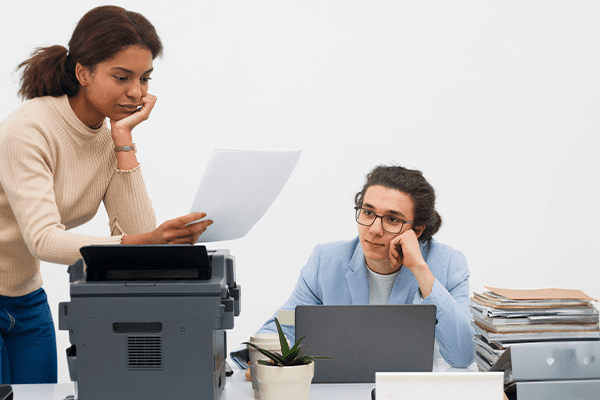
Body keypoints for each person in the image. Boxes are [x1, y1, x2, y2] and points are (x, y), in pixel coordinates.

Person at [0, 6, 212, 384]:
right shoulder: (28, 130)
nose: (136, 92)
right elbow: (44, 240)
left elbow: (139, 233)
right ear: (83, 72)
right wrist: (144, 240)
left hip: (26, 299)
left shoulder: (106, 136)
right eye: (121, 77)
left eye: (145, 78)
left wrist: (123, 141)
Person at [234, 164, 475, 378]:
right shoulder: (326, 262)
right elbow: (285, 322)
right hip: (343, 390)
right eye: (368, 212)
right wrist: (268, 357)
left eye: (392, 219)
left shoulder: (447, 264)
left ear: (418, 230)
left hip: (413, 392)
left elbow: (462, 354)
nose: (374, 230)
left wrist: (421, 270)